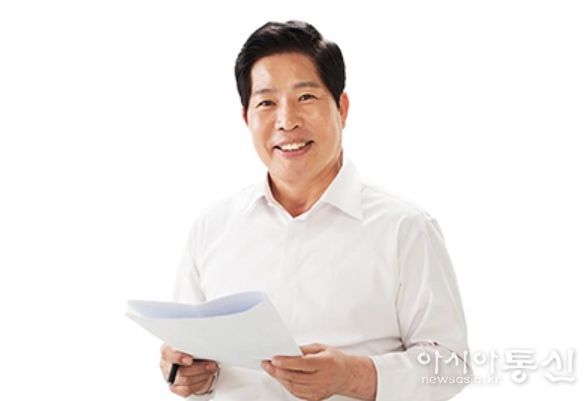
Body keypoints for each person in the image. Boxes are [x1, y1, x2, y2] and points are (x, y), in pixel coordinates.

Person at [159, 20, 471, 401]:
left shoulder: (405, 228)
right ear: (246, 118)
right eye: (266, 103)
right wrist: (187, 376)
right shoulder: (212, 227)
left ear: (342, 108)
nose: (286, 121)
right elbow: (187, 358)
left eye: (305, 97)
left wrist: (352, 376)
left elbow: (451, 366)